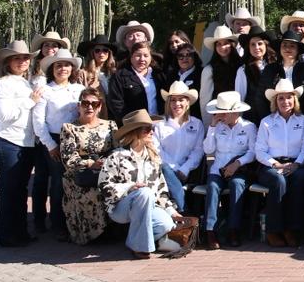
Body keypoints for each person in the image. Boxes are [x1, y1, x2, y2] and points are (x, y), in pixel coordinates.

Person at [98, 110, 184, 258]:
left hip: (149, 204)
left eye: (152, 128)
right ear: (135, 132)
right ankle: (139, 247)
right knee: (144, 193)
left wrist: (171, 211)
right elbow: (104, 186)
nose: (152, 132)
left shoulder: (153, 158)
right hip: (119, 208)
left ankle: (141, 240)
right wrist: (129, 187)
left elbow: (161, 189)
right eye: (147, 129)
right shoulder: (116, 156)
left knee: (166, 224)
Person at [0, 40, 40, 248]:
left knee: (20, 189)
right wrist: (30, 102)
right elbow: (5, 115)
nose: (22, 62)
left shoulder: (26, 83)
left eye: (25, 58)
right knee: (9, 189)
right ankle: (7, 234)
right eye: (17, 58)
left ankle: (20, 232)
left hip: (25, 143)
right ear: (8, 62)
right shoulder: (3, 84)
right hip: (8, 140)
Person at [31, 50, 84, 240]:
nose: (63, 69)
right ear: (52, 69)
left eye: (67, 65)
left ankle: (75, 220)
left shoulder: (78, 89)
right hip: (53, 138)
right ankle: (58, 224)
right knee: (58, 182)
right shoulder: (46, 90)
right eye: (58, 65)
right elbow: (38, 121)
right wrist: (50, 145)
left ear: (73, 68)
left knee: (73, 180)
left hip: (75, 138)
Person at [254, 79, 304, 247]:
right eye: (281, 98)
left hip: (296, 163)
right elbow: (260, 151)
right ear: (275, 101)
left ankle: (293, 229)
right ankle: (274, 230)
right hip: (271, 165)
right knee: (278, 181)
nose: (285, 101)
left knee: (300, 179)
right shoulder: (266, 122)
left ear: (295, 100)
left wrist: (297, 164)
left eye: (289, 97)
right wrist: (275, 164)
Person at [58, 87, 116, 245]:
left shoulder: (110, 125)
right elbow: (68, 159)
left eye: (94, 104)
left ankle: (114, 230)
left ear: (100, 106)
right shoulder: (70, 128)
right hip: (81, 173)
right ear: (79, 106)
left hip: (106, 170)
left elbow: (117, 150)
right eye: (85, 103)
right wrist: (91, 163)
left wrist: (107, 162)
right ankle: (92, 235)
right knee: (92, 192)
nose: (89, 107)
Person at [202, 91, 257, 248]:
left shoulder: (248, 127)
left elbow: (253, 152)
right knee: (212, 187)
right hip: (218, 169)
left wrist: (237, 163)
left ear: (235, 112)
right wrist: (212, 127)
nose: (221, 115)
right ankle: (210, 231)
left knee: (237, 185)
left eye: (224, 113)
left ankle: (234, 229)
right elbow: (208, 149)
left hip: (239, 169)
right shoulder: (217, 127)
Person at [154, 81, 205, 213]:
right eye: (173, 100)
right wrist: (175, 169)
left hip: (190, 172)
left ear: (188, 102)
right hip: (165, 172)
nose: (177, 104)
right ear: (168, 103)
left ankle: (183, 212)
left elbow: (198, 150)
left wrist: (185, 169)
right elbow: (158, 151)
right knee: (165, 168)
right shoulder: (160, 125)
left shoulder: (197, 124)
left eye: (181, 100)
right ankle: (184, 211)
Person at [106, 40, 168, 125]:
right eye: (138, 55)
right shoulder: (119, 76)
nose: (142, 59)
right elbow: (115, 103)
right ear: (131, 57)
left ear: (150, 57)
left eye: (146, 55)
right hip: (134, 125)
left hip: (158, 123)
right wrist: (131, 121)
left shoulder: (159, 75)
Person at [235, 31, 277, 123]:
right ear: (248, 48)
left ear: (266, 45)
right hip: (252, 117)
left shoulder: (276, 66)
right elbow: (240, 96)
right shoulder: (243, 70)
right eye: (253, 44)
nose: (256, 47)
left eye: (260, 44)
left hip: (274, 115)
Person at [199, 25, 242, 113]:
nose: (222, 47)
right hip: (219, 115)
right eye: (219, 44)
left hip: (240, 112)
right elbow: (205, 99)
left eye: (226, 43)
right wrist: (208, 124)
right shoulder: (209, 70)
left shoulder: (241, 66)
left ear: (232, 45)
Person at [263, 30, 304, 99]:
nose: (287, 48)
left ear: (298, 50)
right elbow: (261, 93)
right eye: (284, 45)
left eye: (292, 46)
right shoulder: (270, 69)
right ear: (280, 49)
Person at [167, 43, 203, 117]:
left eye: (188, 55)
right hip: (173, 117)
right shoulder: (171, 75)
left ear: (194, 57)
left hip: (195, 117)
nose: (184, 58)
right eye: (180, 56)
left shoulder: (201, 74)